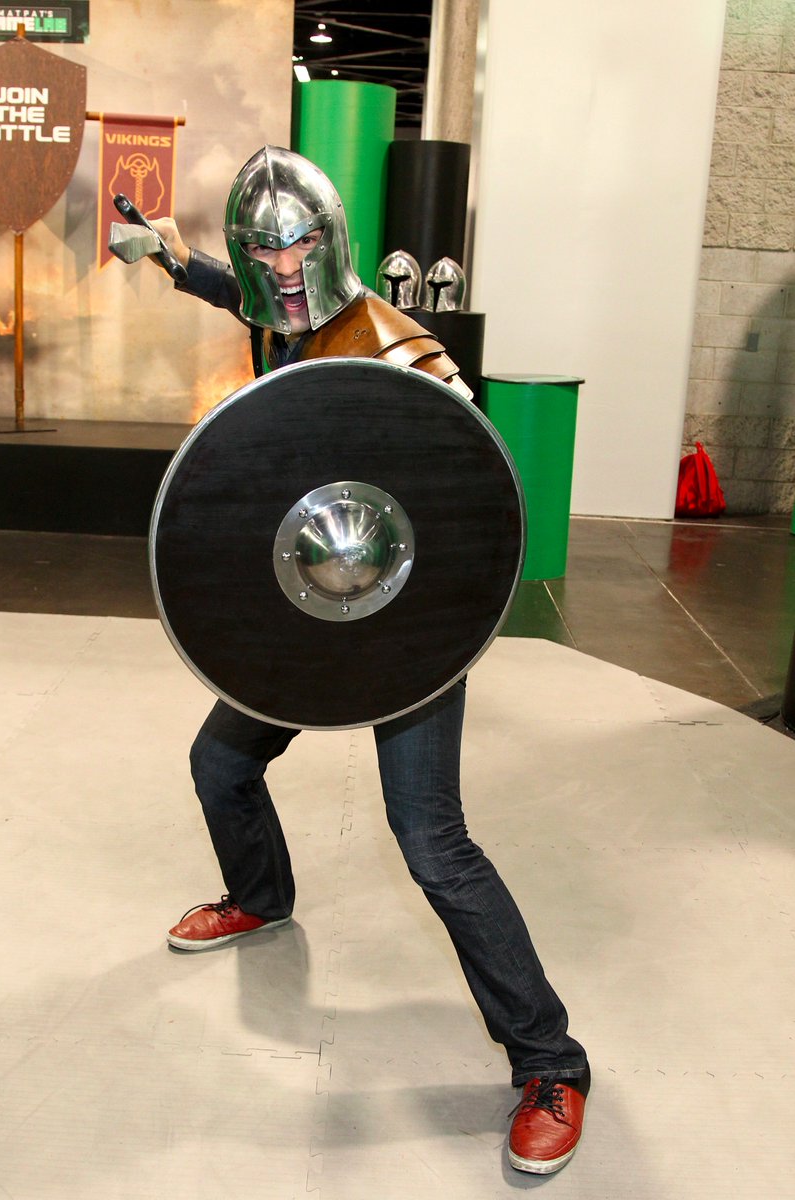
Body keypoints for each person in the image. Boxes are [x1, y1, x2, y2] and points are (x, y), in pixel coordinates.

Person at [146, 145, 590, 1176]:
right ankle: (261, 894)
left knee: (431, 842)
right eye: (263, 252)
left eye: (298, 243)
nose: (282, 266)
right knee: (218, 764)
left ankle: (549, 1063)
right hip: (310, 615)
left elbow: (471, 490)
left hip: (408, 627)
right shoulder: (283, 316)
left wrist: (435, 613)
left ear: (332, 239)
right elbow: (244, 299)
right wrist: (169, 260)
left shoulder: (396, 349)